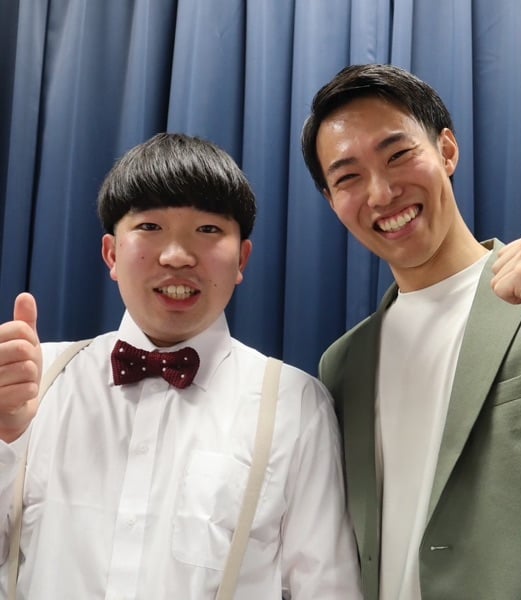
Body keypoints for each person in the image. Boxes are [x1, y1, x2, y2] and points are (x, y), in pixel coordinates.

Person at [0, 133, 363, 599]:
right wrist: (6, 436)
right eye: (150, 227)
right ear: (111, 254)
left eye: (208, 230)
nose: (177, 256)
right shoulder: (32, 380)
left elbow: (328, 588)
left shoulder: (296, 404)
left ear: (241, 259)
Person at [301, 63, 521, 600]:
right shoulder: (341, 364)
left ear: (446, 151)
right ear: (331, 201)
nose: (381, 193)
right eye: (347, 177)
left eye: (397, 155)